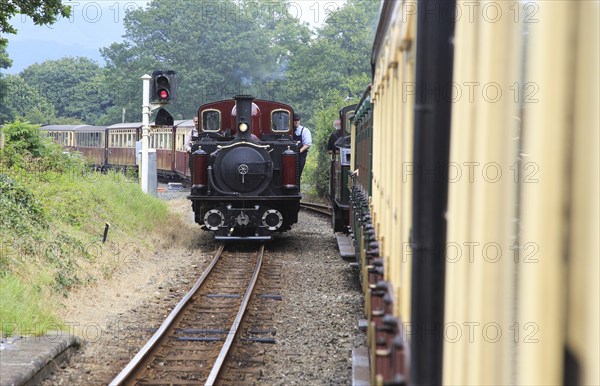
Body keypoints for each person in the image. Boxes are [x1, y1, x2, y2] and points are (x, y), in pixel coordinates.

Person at [292, 113, 312, 178]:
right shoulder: (289, 130)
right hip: (291, 154)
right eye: (295, 120)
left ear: (300, 121)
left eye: (298, 120)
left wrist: (299, 151)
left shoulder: (305, 131)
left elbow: (307, 144)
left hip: (300, 155)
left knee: (298, 172)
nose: (296, 122)